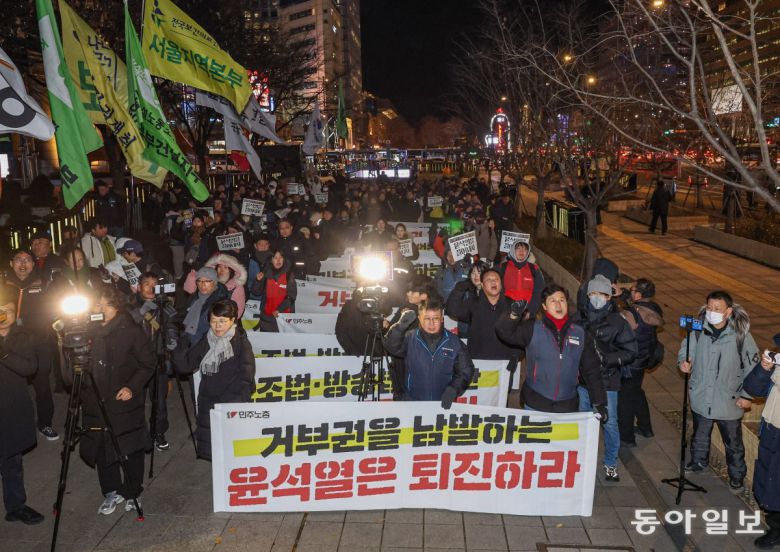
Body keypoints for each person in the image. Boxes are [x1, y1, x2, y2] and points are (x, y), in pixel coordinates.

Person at [67, 286, 155, 515]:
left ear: (114, 306)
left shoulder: (130, 330)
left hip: (122, 401)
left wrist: (132, 387)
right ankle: (110, 491)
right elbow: (70, 372)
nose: (96, 309)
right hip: (94, 399)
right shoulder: (87, 330)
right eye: (94, 305)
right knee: (101, 446)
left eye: (101, 305)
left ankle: (133, 491)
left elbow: (148, 364)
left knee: (129, 447)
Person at [678, 290, 759, 491]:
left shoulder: (740, 336)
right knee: (699, 434)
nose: (712, 312)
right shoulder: (698, 330)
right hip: (702, 394)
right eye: (709, 308)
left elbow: (753, 368)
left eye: (717, 309)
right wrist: (684, 362)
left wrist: (747, 396)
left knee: (733, 442)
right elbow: (686, 350)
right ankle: (698, 461)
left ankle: (737, 475)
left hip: (728, 398)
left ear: (728, 311)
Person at [495, 284, 608, 419]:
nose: (558, 304)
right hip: (535, 403)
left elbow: (592, 370)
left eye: (562, 300)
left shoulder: (580, 333)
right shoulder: (532, 328)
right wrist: (513, 315)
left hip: (567, 406)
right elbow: (504, 332)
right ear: (544, 306)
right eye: (553, 300)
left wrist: (599, 402)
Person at [575, 274, 638, 482]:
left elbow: (631, 351)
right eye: (593, 293)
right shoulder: (578, 319)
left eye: (601, 294)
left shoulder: (618, 322)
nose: (597, 298)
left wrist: (607, 359)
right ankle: (581, 459)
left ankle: (610, 463)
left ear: (609, 297)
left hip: (607, 382)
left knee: (610, 424)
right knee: (582, 421)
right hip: (583, 382)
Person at [174, 300, 254, 460]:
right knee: (212, 449)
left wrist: (232, 401)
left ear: (232, 320)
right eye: (213, 321)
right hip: (208, 401)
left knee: (230, 448)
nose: (217, 326)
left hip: (230, 403)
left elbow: (246, 376)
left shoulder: (240, 342)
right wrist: (180, 343)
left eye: (222, 321)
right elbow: (185, 365)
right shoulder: (207, 339)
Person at [2, 249, 58, 440]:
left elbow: (54, 307)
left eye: (27, 260)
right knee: (10, 387)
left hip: (39, 342)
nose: (23, 263)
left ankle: (45, 423)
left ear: (33, 264)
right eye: (18, 260)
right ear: (11, 263)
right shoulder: (3, 284)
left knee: (42, 385)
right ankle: (13, 427)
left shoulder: (43, 283)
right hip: (11, 342)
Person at [0, 296, 45, 525]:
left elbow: (29, 367)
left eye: (6, 309)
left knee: (12, 462)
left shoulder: (22, 336)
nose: (2, 314)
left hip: (11, 409)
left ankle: (16, 507)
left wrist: (3, 353)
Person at [383, 297, 474, 405]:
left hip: (442, 404)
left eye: (435, 318)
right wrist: (400, 326)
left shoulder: (454, 342)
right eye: (427, 318)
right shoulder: (409, 338)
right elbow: (391, 346)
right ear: (419, 318)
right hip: (412, 403)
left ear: (442, 319)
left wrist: (454, 388)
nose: (431, 324)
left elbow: (466, 370)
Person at [127, 273, 177, 452]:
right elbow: (124, 327)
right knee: (135, 400)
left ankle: (158, 433)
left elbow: (172, 324)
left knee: (159, 401)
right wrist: (141, 312)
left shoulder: (165, 305)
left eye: (154, 284)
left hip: (158, 358)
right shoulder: (130, 306)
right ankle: (138, 435)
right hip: (136, 362)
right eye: (146, 284)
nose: (150, 288)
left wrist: (172, 338)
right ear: (139, 287)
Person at [743, 334, 780, 549]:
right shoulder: (776, 365)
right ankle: (776, 529)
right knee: (770, 479)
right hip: (772, 429)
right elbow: (753, 389)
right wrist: (764, 369)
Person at [618, 278, 664, 446]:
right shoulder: (654, 309)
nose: (630, 292)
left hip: (630, 363)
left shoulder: (631, 314)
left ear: (638, 294)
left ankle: (627, 438)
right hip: (643, 359)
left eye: (632, 290)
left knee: (625, 400)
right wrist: (623, 296)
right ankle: (645, 427)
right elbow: (638, 309)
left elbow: (621, 332)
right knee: (637, 392)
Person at [446, 268, 513, 360]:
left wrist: (515, 356)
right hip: (478, 359)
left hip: (505, 360)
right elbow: (452, 310)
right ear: (482, 285)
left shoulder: (511, 304)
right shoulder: (473, 303)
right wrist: (460, 288)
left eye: (496, 279)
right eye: (489, 280)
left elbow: (519, 334)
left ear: (501, 284)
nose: (493, 282)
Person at [176, 267, 230, 348]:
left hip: (206, 348)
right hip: (188, 344)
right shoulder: (195, 298)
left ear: (215, 282)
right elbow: (181, 317)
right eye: (199, 281)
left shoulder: (221, 303)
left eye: (207, 281)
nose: (203, 284)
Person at [183, 254, 247, 318]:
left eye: (225, 267)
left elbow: (237, 312)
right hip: (200, 316)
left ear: (232, 270)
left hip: (221, 320)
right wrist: (194, 275)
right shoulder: (209, 280)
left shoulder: (236, 287)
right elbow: (190, 291)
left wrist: (219, 320)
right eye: (219, 267)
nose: (222, 270)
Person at [249, 249, 297, 328]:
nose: (278, 260)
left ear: (284, 259)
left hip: (284, 317)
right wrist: (258, 281)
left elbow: (291, 296)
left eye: (281, 257)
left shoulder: (289, 275)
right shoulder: (264, 274)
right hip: (266, 317)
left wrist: (279, 309)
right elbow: (256, 292)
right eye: (275, 258)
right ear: (271, 260)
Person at [498, 240, 544, 318]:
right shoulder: (503, 267)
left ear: (528, 252)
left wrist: (530, 310)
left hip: (526, 312)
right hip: (506, 310)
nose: (522, 251)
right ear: (513, 250)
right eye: (518, 248)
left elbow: (539, 291)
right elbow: (497, 289)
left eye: (525, 249)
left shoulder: (534, 269)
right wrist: (504, 307)